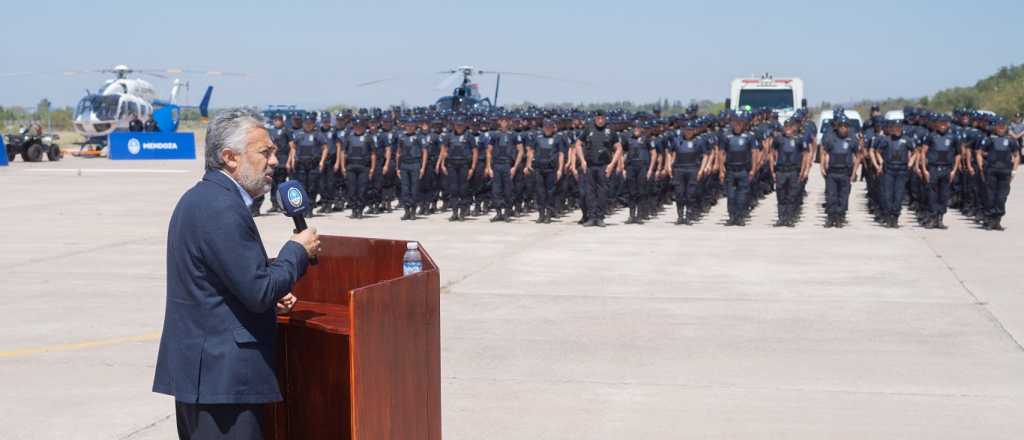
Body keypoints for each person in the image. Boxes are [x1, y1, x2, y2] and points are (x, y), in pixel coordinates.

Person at [153, 108, 320, 440]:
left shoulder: (203, 198)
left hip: (208, 379)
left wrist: (272, 289)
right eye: (265, 152)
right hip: (223, 382)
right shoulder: (221, 206)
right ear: (230, 157)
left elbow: (227, 278)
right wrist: (297, 251)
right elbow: (258, 291)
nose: (274, 161)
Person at [575, 111, 621, 227]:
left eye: (602, 118)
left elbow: (619, 148)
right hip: (590, 166)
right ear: (595, 118)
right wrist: (582, 160)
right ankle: (591, 217)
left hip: (604, 166)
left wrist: (612, 164)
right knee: (589, 193)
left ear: (605, 119)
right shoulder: (588, 129)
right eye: (598, 118)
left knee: (602, 192)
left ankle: (600, 217)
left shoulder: (610, 131)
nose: (600, 120)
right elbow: (578, 144)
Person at [976, 117, 1021, 230]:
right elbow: (979, 152)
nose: (1001, 128)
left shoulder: (1011, 140)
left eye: (1003, 126)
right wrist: (981, 167)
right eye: (999, 126)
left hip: (1005, 172)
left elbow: (1016, 156)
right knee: (990, 196)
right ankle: (989, 220)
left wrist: (1014, 171)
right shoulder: (990, 139)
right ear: (995, 127)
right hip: (991, 171)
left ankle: (997, 220)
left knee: (1001, 197)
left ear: (1006, 127)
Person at [871, 119, 917, 228]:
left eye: (898, 127)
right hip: (889, 171)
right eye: (894, 127)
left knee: (899, 196)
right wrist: (881, 161)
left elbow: (915, 152)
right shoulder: (886, 140)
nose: (896, 129)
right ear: (891, 128)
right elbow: (877, 152)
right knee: (888, 195)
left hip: (902, 171)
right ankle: (888, 217)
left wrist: (911, 162)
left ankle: (895, 217)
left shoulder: (907, 140)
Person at [918, 114, 961, 229]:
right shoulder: (931, 136)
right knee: (932, 195)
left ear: (948, 124)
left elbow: (958, 155)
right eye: (941, 123)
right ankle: (932, 218)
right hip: (933, 168)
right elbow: (923, 152)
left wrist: (954, 170)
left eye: (945, 123)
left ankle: (940, 219)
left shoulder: (953, 137)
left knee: (944, 195)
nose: (943, 125)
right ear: (937, 124)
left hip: (947, 169)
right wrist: (924, 169)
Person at [819, 115, 862, 228]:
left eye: (845, 126)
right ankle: (830, 218)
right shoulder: (831, 138)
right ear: (837, 127)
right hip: (832, 172)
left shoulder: (852, 139)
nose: (843, 128)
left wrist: (854, 172)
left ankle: (839, 218)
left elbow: (858, 156)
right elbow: (823, 152)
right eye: (841, 126)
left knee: (843, 197)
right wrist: (822, 166)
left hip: (845, 173)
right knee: (831, 196)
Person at [718, 113, 760, 226]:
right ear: (732, 123)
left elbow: (754, 152)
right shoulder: (726, 136)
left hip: (743, 170)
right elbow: (721, 153)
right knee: (731, 196)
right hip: (730, 170)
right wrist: (721, 169)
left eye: (740, 123)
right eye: (735, 123)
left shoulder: (749, 136)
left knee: (742, 196)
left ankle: (740, 217)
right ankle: (732, 217)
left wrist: (753, 169)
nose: (737, 125)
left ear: (743, 124)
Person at [769, 119, 809, 227]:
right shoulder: (778, 139)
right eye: (786, 126)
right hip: (781, 170)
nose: (788, 129)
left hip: (793, 171)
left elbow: (805, 155)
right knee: (781, 195)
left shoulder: (799, 139)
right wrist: (772, 169)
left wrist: (803, 170)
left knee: (792, 195)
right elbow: (771, 152)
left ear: (794, 127)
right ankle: (781, 218)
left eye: (790, 126)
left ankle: (790, 218)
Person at [526, 118, 566, 223]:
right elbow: (531, 151)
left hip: (551, 169)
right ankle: (541, 214)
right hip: (539, 168)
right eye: (546, 127)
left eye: (549, 127)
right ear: (543, 127)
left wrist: (560, 169)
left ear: (553, 128)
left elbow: (561, 154)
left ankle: (548, 214)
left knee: (550, 192)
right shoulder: (537, 137)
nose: (547, 128)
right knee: (540, 192)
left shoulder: (557, 138)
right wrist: (528, 163)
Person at [287, 114, 327, 217]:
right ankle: (303, 209)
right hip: (301, 165)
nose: (308, 125)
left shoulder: (318, 134)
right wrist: (292, 159)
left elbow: (325, 148)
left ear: (313, 124)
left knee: (312, 187)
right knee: (302, 187)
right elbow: (293, 147)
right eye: (306, 123)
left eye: (310, 123)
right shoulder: (299, 134)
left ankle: (310, 209)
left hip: (313, 164)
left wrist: (322, 161)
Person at [439, 117, 478, 221]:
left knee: (463, 189)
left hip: (464, 164)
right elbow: (444, 151)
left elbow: (475, 152)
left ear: (464, 125)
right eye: (457, 124)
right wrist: (442, 164)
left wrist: (472, 168)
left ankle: (462, 212)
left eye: (461, 124)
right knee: (453, 189)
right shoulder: (448, 136)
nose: (459, 126)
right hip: (451, 164)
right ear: (454, 125)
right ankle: (454, 212)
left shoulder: (469, 136)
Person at [485, 114, 523, 222]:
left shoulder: (514, 135)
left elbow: (521, 151)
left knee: (508, 190)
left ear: (509, 122)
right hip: (497, 165)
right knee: (496, 190)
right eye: (502, 120)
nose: (504, 122)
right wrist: (489, 167)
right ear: (499, 122)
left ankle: (507, 213)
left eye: (506, 120)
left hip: (508, 165)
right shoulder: (494, 135)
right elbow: (488, 151)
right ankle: (498, 213)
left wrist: (515, 166)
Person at [338, 118, 376, 218]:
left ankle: (360, 209)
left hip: (364, 167)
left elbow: (373, 154)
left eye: (360, 126)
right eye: (356, 126)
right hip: (351, 166)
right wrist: (343, 166)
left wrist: (372, 168)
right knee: (351, 189)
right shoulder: (349, 138)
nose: (358, 128)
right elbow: (343, 152)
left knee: (362, 190)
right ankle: (354, 209)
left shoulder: (368, 138)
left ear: (363, 127)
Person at [395, 119, 427, 220]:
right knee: (405, 188)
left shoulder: (419, 137)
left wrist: (423, 167)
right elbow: (398, 153)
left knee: (414, 188)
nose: (409, 127)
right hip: (404, 165)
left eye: (412, 125)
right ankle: (406, 211)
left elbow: (424, 152)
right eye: (408, 125)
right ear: (405, 126)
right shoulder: (402, 137)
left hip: (415, 164)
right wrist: (397, 168)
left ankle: (413, 211)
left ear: (415, 126)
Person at [266, 114, 291, 213]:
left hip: (283, 159)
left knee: (281, 184)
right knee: (273, 184)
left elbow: (292, 146)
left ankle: (282, 204)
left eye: (279, 120)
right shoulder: (271, 131)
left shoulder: (286, 130)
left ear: (282, 121)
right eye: (275, 120)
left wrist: (289, 161)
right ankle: (274, 204)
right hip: (273, 160)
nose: (277, 122)